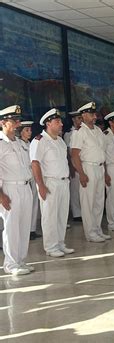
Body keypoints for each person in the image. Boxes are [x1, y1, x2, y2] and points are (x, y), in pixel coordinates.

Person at [30, 108, 74, 257]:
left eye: (60, 121)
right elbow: (35, 163)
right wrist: (40, 185)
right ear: (48, 123)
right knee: (50, 216)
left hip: (63, 182)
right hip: (49, 183)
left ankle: (60, 243)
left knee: (62, 215)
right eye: (57, 121)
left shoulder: (60, 140)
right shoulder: (39, 141)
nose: (61, 124)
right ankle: (50, 247)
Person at [0, 105, 34, 275]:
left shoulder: (20, 143)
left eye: (18, 120)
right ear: (2, 123)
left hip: (25, 187)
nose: (17, 123)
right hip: (9, 189)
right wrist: (1, 196)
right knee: (12, 227)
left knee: (23, 226)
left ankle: (21, 260)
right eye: (14, 120)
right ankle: (11, 264)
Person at [70, 102, 111, 243]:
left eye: (95, 114)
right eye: (92, 114)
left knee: (99, 202)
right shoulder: (79, 132)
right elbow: (75, 155)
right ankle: (90, 233)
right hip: (88, 168)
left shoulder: (98, 131)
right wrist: (81, 174)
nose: (95, 116)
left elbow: (102, 152)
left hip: (99, 168)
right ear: (84, 115)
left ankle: (97, 229)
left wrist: (105, 173)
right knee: (88, 202)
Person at [18, 120, 41, 240]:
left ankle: (32, 229)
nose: (30, 132)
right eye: (27, 130)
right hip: (25, 176)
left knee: (34, 203)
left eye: (30, 130)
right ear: (20, 132)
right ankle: (25, 230)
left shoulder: (30, 144)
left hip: (33, 176)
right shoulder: (18, 145)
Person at [63, 110, 83, 222]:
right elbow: (68, 151)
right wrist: (71, 166)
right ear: (73, 120)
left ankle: (83, 211)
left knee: (83, 190)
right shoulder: (68, 134)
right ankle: (77, 213)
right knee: (75, 189)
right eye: (78, 118)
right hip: (74, 164)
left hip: (84, 163)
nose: (80, 120)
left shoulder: (84, 132)